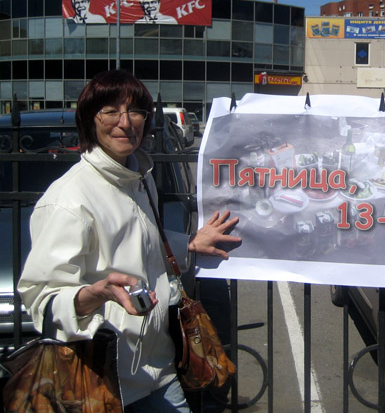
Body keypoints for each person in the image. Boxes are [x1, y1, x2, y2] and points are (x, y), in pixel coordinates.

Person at [18, 70, 240, 411]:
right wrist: (94, 294)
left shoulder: (138, 177)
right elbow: (42, 298)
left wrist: (188, 244)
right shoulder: (68, 200)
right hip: (105, 380)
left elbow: (138, 240)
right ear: (90, 120)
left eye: (135, 111)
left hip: (159, 367)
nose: (125, 122)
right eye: (110, 111)